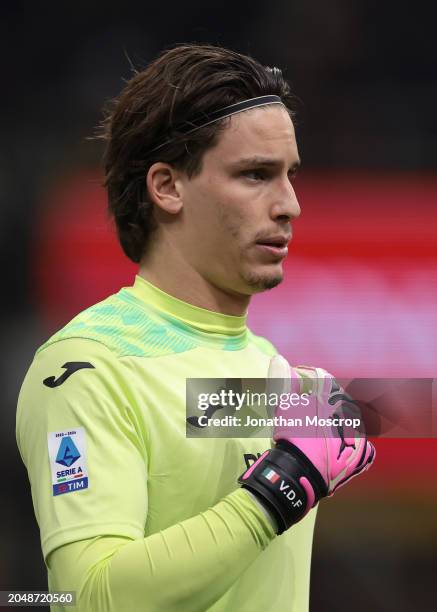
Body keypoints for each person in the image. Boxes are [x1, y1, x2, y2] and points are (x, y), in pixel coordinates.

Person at [16, 44, 374, 612]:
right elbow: (87, 595)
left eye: (290, 176)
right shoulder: (88, 367)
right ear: (168, 187)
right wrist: (281, 486)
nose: (290, 205)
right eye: (256, 174)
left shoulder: (273, 376)